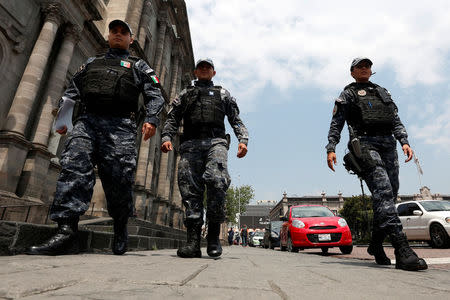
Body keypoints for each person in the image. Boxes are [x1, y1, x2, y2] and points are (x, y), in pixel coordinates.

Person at [26, 20, 164, 256]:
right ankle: (66, 231)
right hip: (87, 123)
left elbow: (155, 95)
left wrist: (151, 119)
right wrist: (63, 118)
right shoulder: (91, 62)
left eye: (123, 33)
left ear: (131, 39)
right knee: (73, 169)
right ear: (109, 35)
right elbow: (72, 93)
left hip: (120, 127)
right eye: (114, 31)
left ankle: (120, 226)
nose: (118, 35)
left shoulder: (139, 66)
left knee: (118, 180)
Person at [326, 57, 427, 271]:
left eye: (367, 66)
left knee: (389, 196)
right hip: (364, 144)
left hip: (389, 145)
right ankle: (402, 250)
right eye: (359, 66)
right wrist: (331, 148)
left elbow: (395, 119)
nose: (364, 69)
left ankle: (375, 244)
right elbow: (337, 123)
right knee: (382, 191)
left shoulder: (382, 92)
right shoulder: (348, 93)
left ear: (372, 71)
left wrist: (404, 142)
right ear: (352, 72)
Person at [161, 58, 248, 258]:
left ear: (213, 72)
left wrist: (243, 139)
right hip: (190, 144)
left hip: (215, 142)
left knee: (217, 181)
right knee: (190, 190)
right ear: (195, 72)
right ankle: (192, 242)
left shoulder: (223, 94)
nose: (204, 70)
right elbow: (172, 118)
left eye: (208, 67)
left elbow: (236, 119)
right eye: (201, 67)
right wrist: (166, 136)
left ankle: (214, 238)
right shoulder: (185, 94)